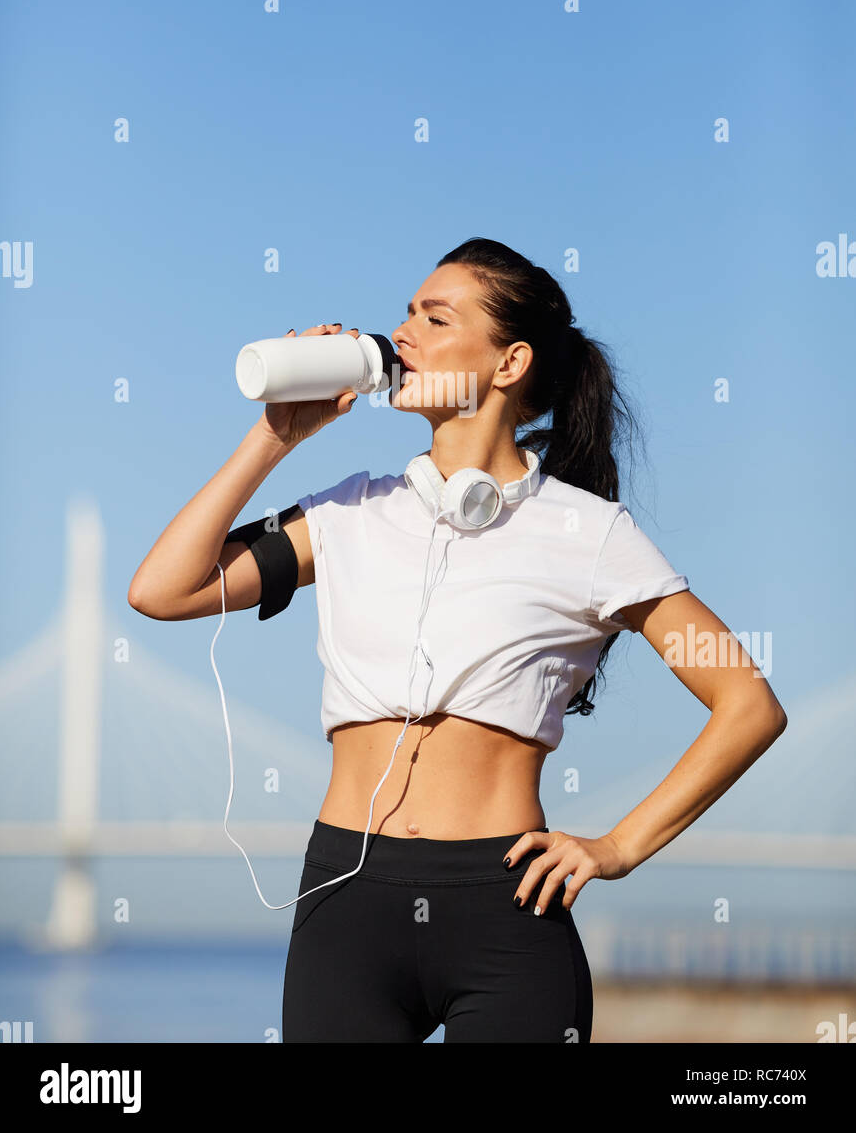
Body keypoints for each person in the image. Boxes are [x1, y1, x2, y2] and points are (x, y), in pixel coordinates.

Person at [128, 237, 788, 1043]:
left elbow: (748, 704)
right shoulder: (348, 512)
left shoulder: (589, 533)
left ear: (509, 362)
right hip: (345, 902)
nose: (403, 334)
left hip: (506, 904)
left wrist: (617, 848)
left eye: (436, 319)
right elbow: (163, 590)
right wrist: (277, 436)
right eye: (406, 313)